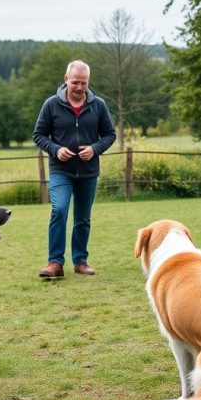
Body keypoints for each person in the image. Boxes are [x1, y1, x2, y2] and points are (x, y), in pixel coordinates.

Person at [33, 60, 116, 279]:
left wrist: (95, 149)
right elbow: (39, 135)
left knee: (82, 218)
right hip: (61, 170)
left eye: (84, 83)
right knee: (59, 210)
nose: (79, 88)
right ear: (66, 79)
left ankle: (80, 262)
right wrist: (56, 149)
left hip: (88, 172)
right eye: (75, 82)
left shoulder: (98, 105)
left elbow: (110, 134)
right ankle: (55, 264)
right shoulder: (51, 105)